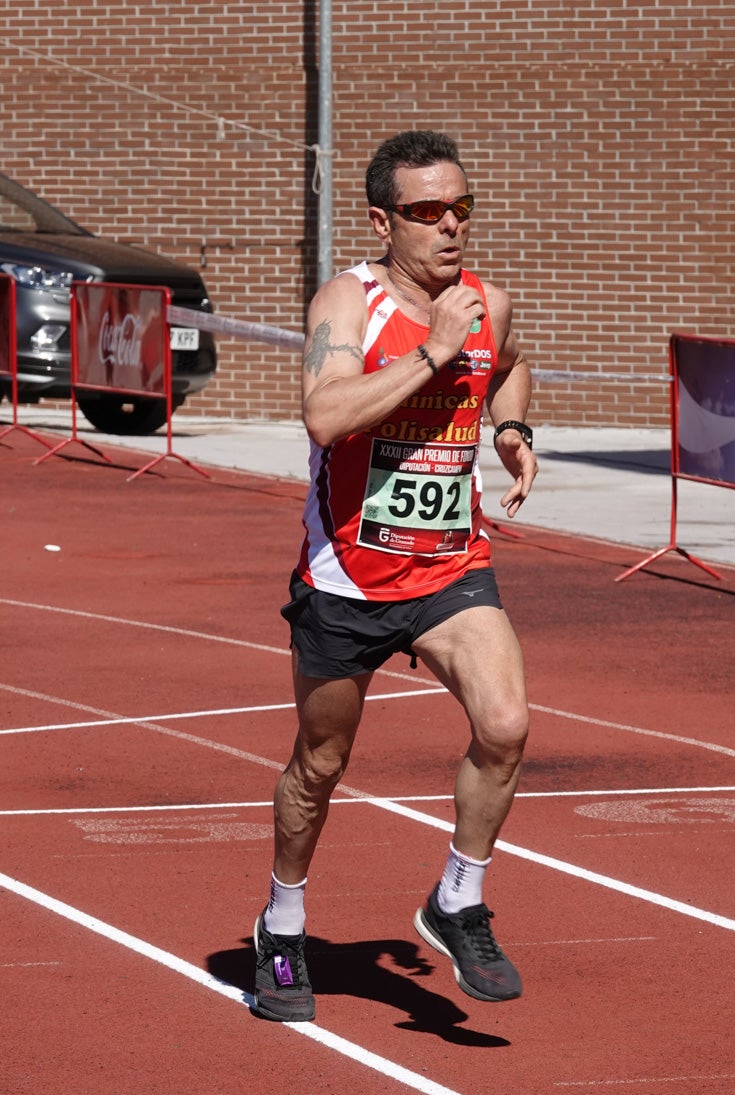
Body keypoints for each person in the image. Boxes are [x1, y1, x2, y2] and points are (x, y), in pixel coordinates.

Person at [252, 130, 538, 1023]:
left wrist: (510, 431)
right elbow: (325, 413)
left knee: (506, 721)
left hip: (450, 567)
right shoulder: (350, 301)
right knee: (320, 763)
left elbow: (512, 366)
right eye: (426, 212)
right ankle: (283, 925)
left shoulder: (486, 303)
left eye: (462, 207)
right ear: (383, 221)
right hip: (347, 578)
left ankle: (457, 901)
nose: (449, 226)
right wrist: (432, 354)